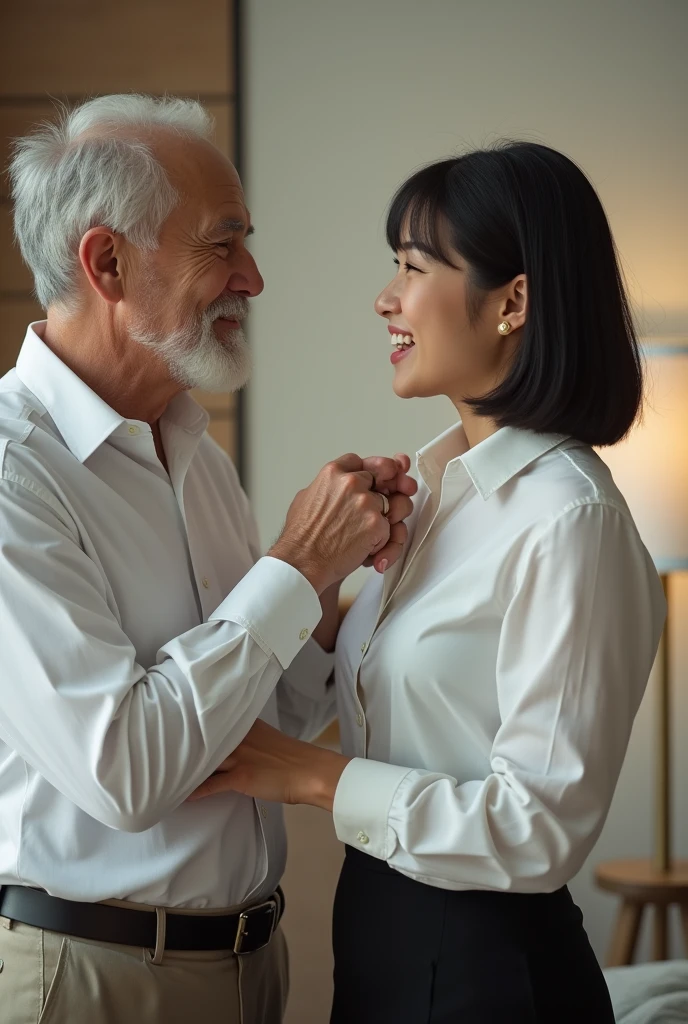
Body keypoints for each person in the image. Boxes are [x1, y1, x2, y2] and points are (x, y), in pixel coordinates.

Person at [190, 142, 667, 1023]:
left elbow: (540, 829)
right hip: (383, 947)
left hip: (491, 974)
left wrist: (315, 778)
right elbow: (309, 703)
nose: (385, 298)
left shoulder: (570, 520)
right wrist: (322, 583)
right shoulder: (424, 495)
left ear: (513, 301)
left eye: (412, 266)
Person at [0, 94, 418, 1024]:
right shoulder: (9, 475)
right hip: (92, 981)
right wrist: (292, 566)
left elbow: (272, 711)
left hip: (251, 968)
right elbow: (130, 772)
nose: (255, 278)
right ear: (106, 262)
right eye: (221, 244)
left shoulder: (191, 450)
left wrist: (337, 578)